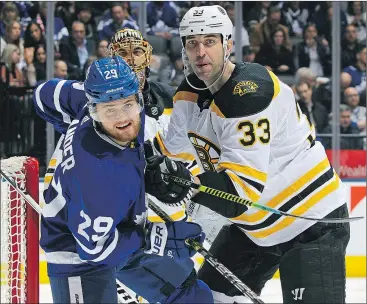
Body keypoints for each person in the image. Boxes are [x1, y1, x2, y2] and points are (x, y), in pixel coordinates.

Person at [144, 5, 350, 303]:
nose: (201, 51)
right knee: (206, 300)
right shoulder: (187, 95)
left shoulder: (250, 93)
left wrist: (185, 184)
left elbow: (240, 195)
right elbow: (167, 155)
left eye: (210, 41)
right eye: (192, 43)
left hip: (309, 222)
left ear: (228, 44)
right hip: (255, 231)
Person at [33, 56, 213, 303]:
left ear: (139, 98)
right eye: (110, 110)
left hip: (120, 232)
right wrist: (154, 238)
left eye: (128, 105)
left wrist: (145, 165)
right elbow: (94, 249)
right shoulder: (100, 177)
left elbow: (43, 94)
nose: (122, 118)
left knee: (192, 297)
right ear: (94, 109)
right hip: (78, 256)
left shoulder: (87, 100)